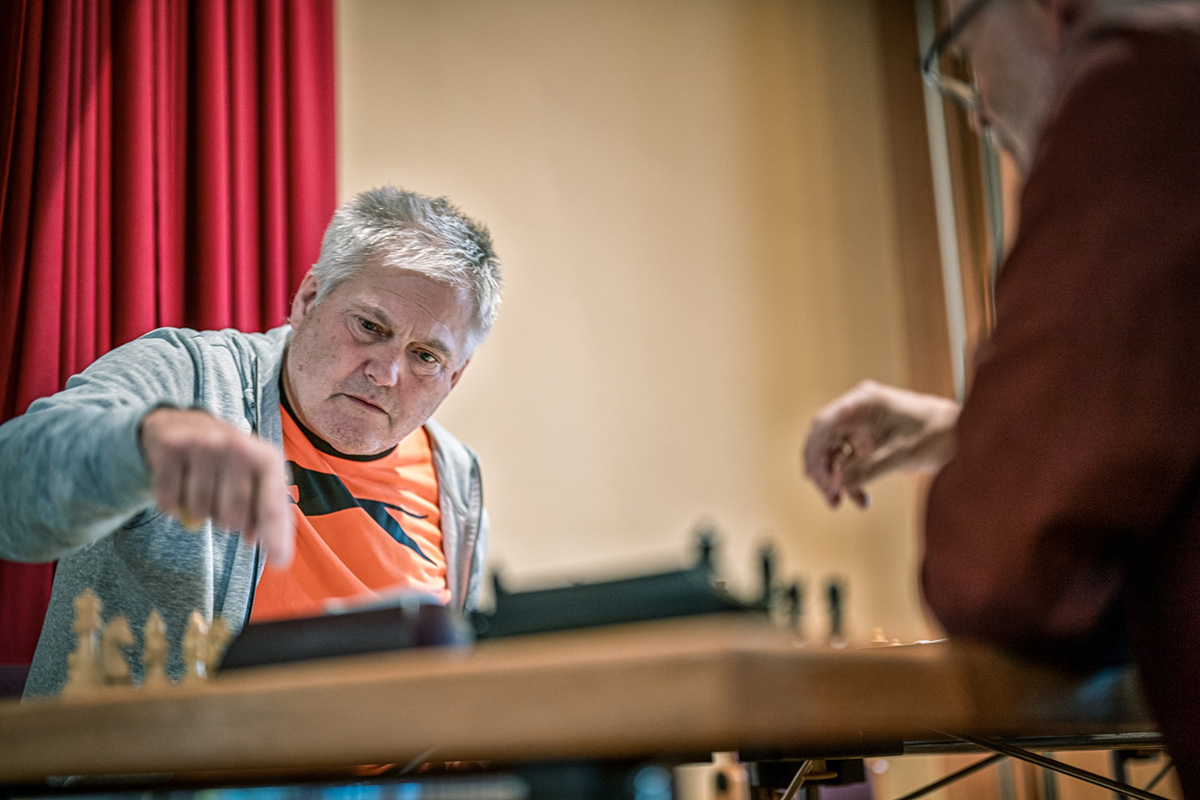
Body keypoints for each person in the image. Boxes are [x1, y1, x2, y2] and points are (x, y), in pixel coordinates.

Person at [804, 0, 1200, 793]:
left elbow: (993, 575)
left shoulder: (1143, 93)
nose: (976, 110)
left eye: (962, 46)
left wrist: (996, 462)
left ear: (1045, 9)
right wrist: (965, 431)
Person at [0, 186, 501, 698]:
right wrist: (139, 449)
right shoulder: (186, 382)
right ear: (308, 300)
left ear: (454, 377)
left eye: (425, 357)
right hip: (166, 750)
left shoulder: (455, 479)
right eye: (370, 326)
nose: (387, 373)